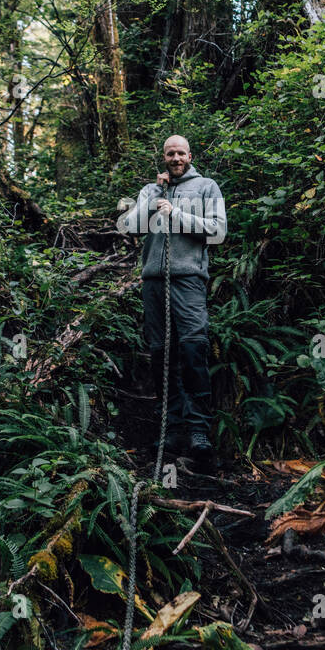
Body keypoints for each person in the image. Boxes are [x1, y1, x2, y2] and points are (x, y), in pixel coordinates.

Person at [118, 135, 227, 464]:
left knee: (193, 349)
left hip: (189, 280)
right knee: (162, 355)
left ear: (189, 155)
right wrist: (154, 199)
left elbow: (219, 232)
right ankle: (172, 428)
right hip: (154, 282)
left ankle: (198, 431)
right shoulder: (150, 191)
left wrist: (176, 212)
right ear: (163, 157)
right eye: (170, 153)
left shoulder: (207, 186)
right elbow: (129, 228)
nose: (176, 157)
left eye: (180, 153)